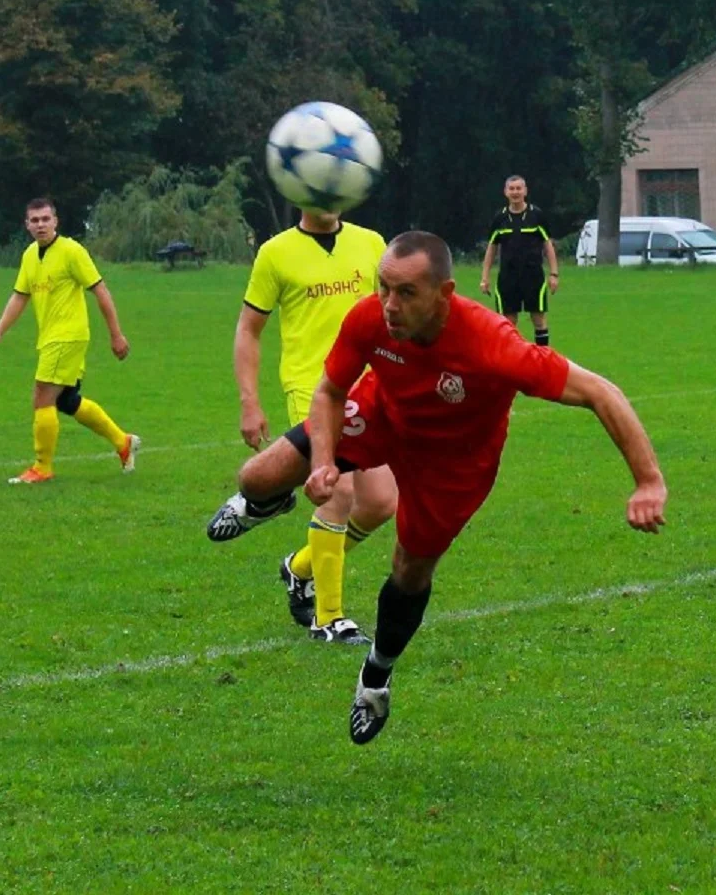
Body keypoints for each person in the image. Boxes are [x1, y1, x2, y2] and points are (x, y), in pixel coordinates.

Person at [206, 231, 667, 744]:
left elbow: (602, 392)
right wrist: (320, 464)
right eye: (384, 287)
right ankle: (268, 502)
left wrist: (647, 481)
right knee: (257, 476)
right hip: (382, 415)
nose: (389, 305)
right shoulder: (369, 319)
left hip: (453, 467)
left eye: (406, 293)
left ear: (444, 294)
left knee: (408, 569)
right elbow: (330, 391)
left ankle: (376, 675)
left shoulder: (493, 345)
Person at [236, 207, 397, 643]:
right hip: (314, 389)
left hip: (368, 389)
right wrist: (250, 401)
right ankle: (329, 619)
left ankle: (300, 568)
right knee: (338, 488)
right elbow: (249, 331)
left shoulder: (372, 243)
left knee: (381, 502)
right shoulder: (275, 253)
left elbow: (392, 315)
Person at [0, 198, 139, 484]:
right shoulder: (30, 255)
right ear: (27, 224)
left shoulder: (71, 251)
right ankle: (123, 442)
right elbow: (20, 295)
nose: (40, 225)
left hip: (68, 337)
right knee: (66, 401)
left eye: (45, 219)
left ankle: (42, 467)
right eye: (35, 220)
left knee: (42, 395)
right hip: (49, 338)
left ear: (56, 221)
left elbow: (100, 290)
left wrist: (116, 334)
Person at [479, 175, 559, 345]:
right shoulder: (499, 218)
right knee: (508, 322)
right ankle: (511, 362)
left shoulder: (536, 215)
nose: (515, 192)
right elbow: (491, 248)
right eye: (512, 189)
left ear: (525, 191)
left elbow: (548, 245)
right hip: (508, 277)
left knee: (538, 319)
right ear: (505, 192)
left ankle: (543, 361)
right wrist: (485, 277)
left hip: (533, 276)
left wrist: (554, 274)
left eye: (518, 188)